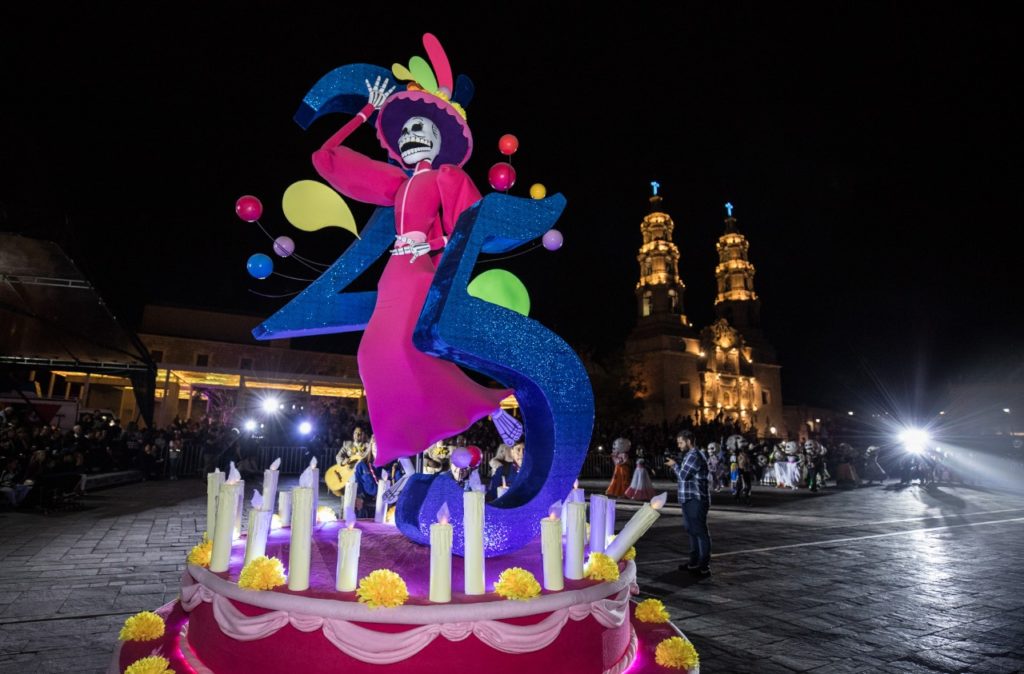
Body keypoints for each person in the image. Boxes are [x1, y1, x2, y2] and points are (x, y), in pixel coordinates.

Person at [311, 43, 522, 468]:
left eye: (419, 129)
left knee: (410, 351)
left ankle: (476, 410)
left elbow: (469, 227)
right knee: (371, 355)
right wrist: (365, 113)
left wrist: (434, 243)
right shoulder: (395, 182)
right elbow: (325, 157)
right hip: (393, 272)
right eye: (405, 131)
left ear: (438, 140)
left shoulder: (446, 176)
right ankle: (413, 434)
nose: (409, 136)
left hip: (419, 271)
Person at [666, 430, 711, 577]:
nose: (679, 446)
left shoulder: (694, 455)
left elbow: (683, 476)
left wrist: (674, 466)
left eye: (680, 442)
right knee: (691, 530)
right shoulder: (689, 455)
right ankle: (694, 562)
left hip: (696, 499)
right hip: (688, 498)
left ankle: (703, 566)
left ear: (688, 441)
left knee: (699, 531)